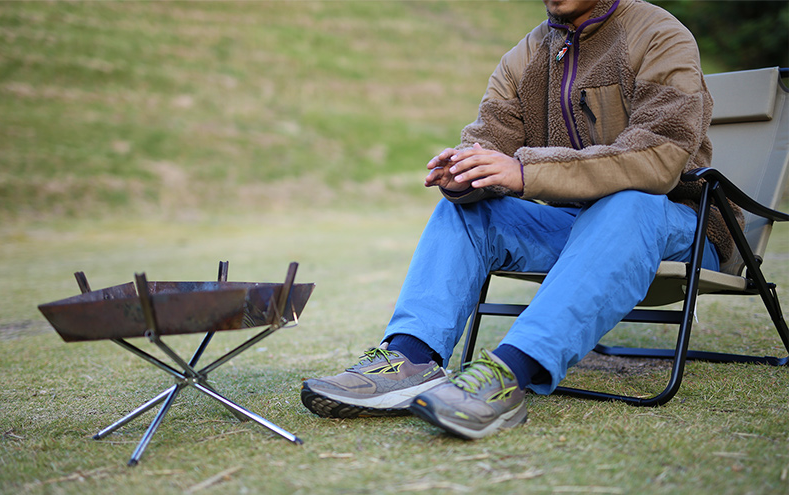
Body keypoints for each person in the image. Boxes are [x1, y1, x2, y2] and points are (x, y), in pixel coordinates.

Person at [301, 0, 739, 440]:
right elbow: (488, 140)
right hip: (574, 229)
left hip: (678, 226)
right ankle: (410, 360)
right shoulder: (527, 55)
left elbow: (659, 159)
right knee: (466, 210)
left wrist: (527, 171)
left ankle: (506, 376)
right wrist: (465, 175)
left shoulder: (658, 33)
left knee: (629, 203)